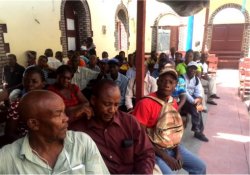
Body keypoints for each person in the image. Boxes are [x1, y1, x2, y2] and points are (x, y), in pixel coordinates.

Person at [0, 90, 109, 174]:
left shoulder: (82, 143)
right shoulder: (7, 159)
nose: (66, 118)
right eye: (58, 114)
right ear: (34, 124)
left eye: (64, 112)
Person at [70, 79, 155, 174]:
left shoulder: (129, 122)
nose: (112, 110)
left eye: (116, 105)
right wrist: (72, 114)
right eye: (107, 104)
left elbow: (146, 153)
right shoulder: (78, 130)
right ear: (93, 100)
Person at [133, 67, 206, 174]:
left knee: (200, 167)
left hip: (172, 147)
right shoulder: (145, 103)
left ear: (175, 85)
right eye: (164, 81)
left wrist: (177, 152)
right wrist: (166, 157)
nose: (167, 85)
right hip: (152, 151)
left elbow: (173, 131)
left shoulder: (173, 102)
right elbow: (140, 138)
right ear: (158, 82)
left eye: (171, 82)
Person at [0, 66, 46, 148]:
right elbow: (9, 134)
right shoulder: (17, 105)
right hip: (24, 143)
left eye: (34, 81)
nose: (29, 84)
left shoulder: (48, 102)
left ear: (43, 84)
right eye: (26, 80)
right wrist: (31, 146)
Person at [181, 61, 209, 142]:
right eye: (191, 68)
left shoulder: (196, 79)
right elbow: (184, 92)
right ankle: (197, 131)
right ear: (187, 69)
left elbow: (199, 91)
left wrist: (198, 98)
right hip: (182, 100)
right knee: (195, 107)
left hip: (192, 100)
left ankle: (198, 130)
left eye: (194, 69)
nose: (192, 71)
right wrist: (193, 101)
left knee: (199, 108)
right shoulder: (181, 78)